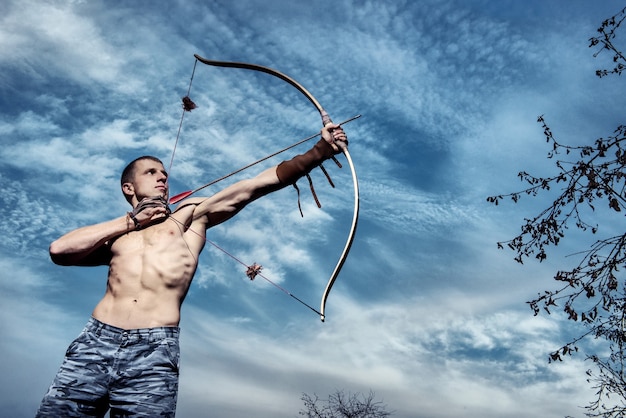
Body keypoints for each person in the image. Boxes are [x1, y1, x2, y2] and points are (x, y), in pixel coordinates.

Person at [35, 124, 348, 417]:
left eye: (164, 173)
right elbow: (59, 250)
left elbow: (252, 186)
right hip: (96, 341)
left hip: (154, 348)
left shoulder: (190, 215)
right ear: (128, 187)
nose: (162, 178)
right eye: (151, 172)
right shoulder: (117, 236)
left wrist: (321, 150)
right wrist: (132, 221)